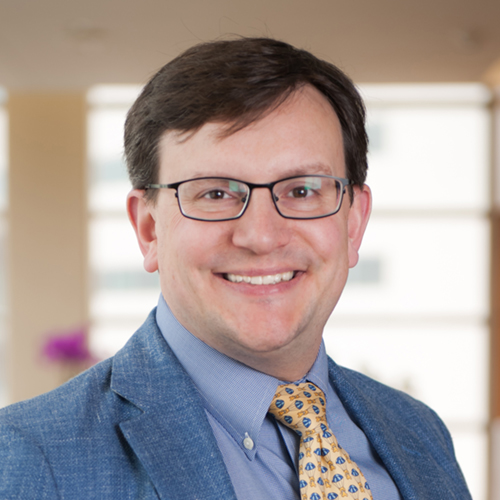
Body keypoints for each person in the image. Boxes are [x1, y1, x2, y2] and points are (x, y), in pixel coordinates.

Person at [0, 37, 471, 500]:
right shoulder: (31, 456)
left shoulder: (419, 433)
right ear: (149, 229)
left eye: (303, 190)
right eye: (215, 193)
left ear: (353, 223)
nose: (261, 236)